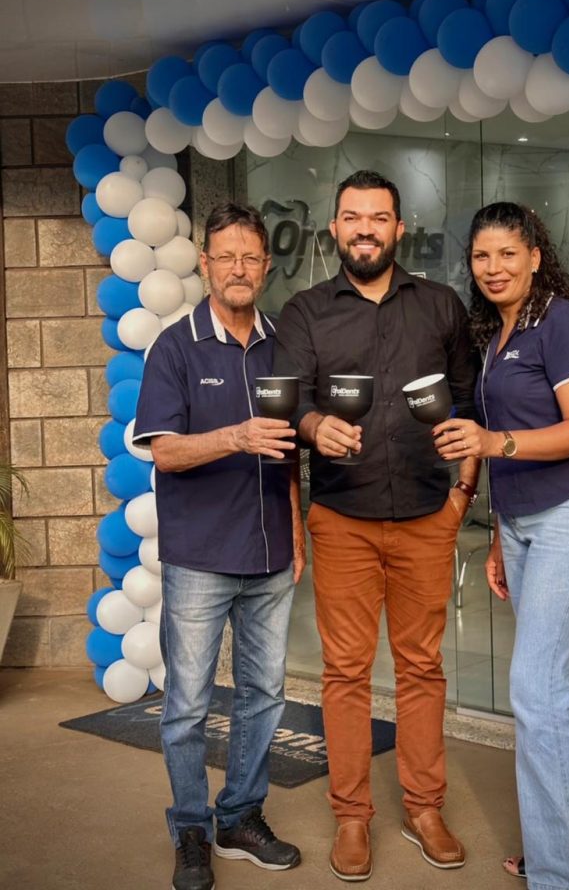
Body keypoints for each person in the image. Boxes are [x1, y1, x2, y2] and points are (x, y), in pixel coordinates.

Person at [274, 169, 480, 882]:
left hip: (427, 515)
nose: (366, 229)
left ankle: (425, 809)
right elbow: (289, 400)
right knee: (346, 672)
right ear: (335, 228)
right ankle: (352, 816)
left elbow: (471, 403)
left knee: (422, 668)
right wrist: (313, 426)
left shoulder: (442, 306)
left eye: (379, 217)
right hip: (343, 519)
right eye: (353, 217)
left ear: (399, 228)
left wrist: (462, 496)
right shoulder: (305, 312)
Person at [434, 202, 569, 890]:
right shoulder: (497, 334)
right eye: (481, 256)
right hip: (521, 523)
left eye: (507, 254)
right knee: (559, 691)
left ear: (536, 256)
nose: (493, 268)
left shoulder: (563, 324)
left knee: (537, 691)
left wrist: (493, 441)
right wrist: (497, 537)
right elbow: (508, 451)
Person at [133, 202, 305, 890]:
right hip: (200, 557)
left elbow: (292, 452)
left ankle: (239, 816)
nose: (239, 268)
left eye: (250, 257)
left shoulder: (283, 343)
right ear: (205, 264)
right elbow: (164, 452)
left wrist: (296, 530)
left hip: (270, 554)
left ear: (266, 267)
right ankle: (191, 829)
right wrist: (235, 436)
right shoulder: (174, 347)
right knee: (187, 707)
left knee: (264, 695)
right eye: (226, 256)